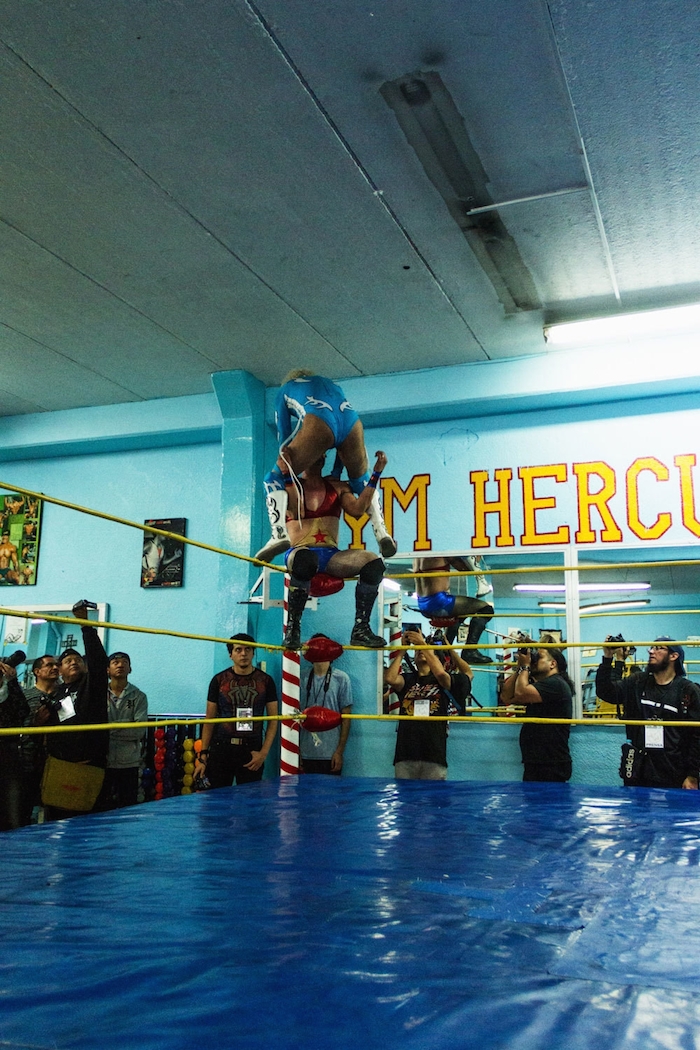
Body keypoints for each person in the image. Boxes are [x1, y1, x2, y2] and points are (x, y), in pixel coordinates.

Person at [256, 370, 396, 562]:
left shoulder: (285, 390)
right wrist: (336, 473)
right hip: (352, 423)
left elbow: (284, 433)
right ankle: (382, 532)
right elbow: (340, 441)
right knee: (361, 481)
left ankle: (278, 534)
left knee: (271, 479)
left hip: (320, 421)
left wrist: (284, 460)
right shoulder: (334, 386)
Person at [282, 452, 387, 650]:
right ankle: (293, 628)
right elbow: (296, 511)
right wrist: (287, 472)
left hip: (330, 555)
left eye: (320, 454)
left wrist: (375, 474)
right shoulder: (290, 486)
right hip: (299, 553)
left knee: (374, 562)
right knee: (306, 560)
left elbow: (357, 510)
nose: (316, 457)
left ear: (323, 460)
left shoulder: (338, 487)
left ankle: (361, 628)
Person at [596, 635, 700, 789]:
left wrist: (692, 775)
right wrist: (608, 657)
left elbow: (697, 736)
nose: (651, 651)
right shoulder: (637, 682)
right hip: (638, 769)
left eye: (658, 648)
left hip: (673, 770)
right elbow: (607, 692)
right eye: (651, 648)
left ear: (673, 656)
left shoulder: (688, 691)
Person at [41, 601, 109, 820]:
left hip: (88, 766)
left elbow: (99, 662)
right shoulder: (56, 694)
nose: (73, 663)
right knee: (56, 823)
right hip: (60, 765)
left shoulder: (92, 684)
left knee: (87, 825)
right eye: (68, 660)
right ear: (59, 670)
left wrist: (85, 625)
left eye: (77, 660)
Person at [194, 634, 279, 788]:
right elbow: (209, 719)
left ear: (254, 652)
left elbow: (274, 719)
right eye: (238, 649)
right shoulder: (218, 680)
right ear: (230, 654)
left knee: (250, 804)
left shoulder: (266, 681)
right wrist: (203, 756)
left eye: (248, 649)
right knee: (218, 802)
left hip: (251, 750)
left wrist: (263, 753)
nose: (243, 653)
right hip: (221, 748)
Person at [385, 627, 456, 780]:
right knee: (405, 800)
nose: (420, 652)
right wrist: (403, 650)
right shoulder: (408, 678)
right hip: (406, 753)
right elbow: (390, 679)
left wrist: (423, 644)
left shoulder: (442, 680)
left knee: (433, 800)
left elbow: (443, 675)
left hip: (433, 753)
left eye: (425, 651)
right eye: (417, 651)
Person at [499, 644, 573, 782]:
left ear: (552, 664)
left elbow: (521, 693)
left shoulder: (556, 684)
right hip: (537, 760)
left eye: (539, 657)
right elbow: (506, 697)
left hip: (551, 763)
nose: (535, 660)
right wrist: (520, 668)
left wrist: (525, 667)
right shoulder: (541, 685)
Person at [413, 556, 495, 663]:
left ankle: (446, 649)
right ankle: (470, 651)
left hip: (422, 603)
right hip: (439, 602)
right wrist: (476, 556)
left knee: (462, 612)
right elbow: (465, 568)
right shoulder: (441, 551)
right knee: (486, 609)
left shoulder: (418, 556)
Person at [96, 652, 148, 809]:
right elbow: (95, 729)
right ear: (107, 670)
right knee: (102, 808)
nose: (120, 665)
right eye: (115, 662)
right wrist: (125, 724)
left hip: (129, 762)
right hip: (103, 761)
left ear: (130, 669)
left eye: (124, 662)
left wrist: (109, 728)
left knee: (128, 808)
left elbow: (139, 731)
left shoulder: (139, 696)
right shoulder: (97, 694)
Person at [300, 634, 352, 775]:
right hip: (305, 752)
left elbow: (346, 718)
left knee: (332, 796)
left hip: (330, 753)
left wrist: (339, 752)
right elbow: (293, 715)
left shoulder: (342, 678)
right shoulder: (300, 677)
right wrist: (295, 750)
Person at [20, 654, 60, 822]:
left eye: (57, 665)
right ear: (37, 671)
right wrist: (35, 725)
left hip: (57, 761)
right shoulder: (25, 697)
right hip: (28, 761)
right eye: (49, 665)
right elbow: (18, 731)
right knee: (24, 809)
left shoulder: (65, 695)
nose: (55, 668)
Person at [0, 658, 31, 830]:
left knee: (12, 810)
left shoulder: (10, 691)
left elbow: (22, 712)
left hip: (8, 755)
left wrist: (12, 682)